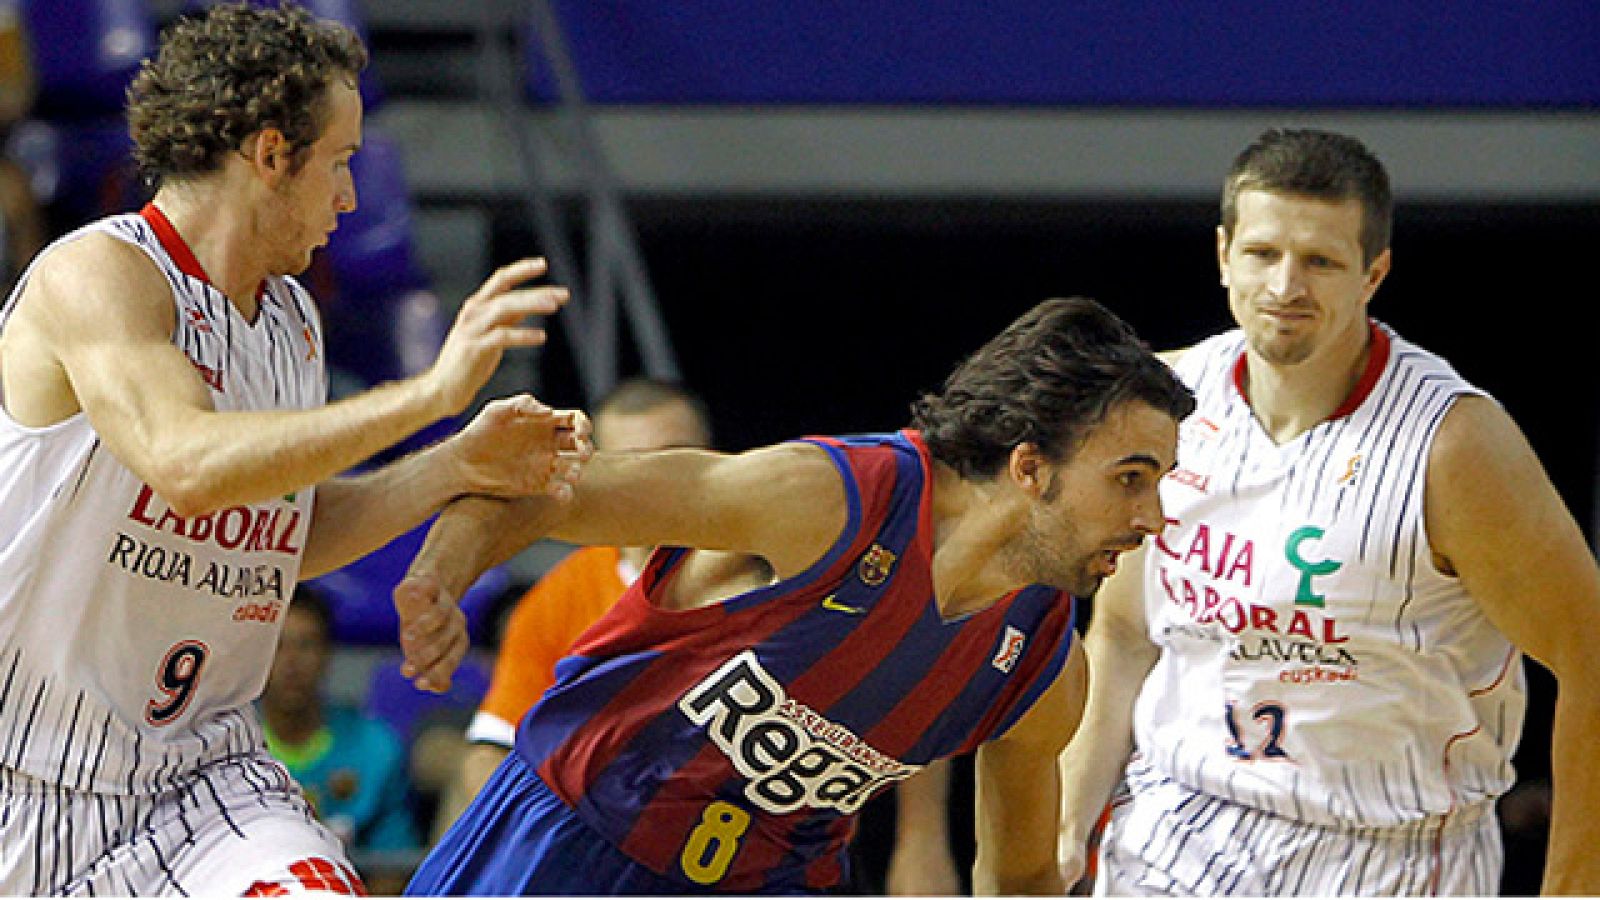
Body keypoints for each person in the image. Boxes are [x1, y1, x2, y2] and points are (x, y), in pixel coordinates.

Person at [0, 3, 588, 895]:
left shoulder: (290, 323)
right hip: (28, 784)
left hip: (205, 786)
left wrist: (453, 463)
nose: (350, 197)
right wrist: (429, 396)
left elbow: (281, 533)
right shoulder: (98, 275)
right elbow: (187, 466)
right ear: (272, 155)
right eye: (340, 162)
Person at [394, 295, 1195, 895]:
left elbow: (1018, 882)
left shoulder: (1045, 670)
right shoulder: (831, 500)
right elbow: (551, 491)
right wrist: (442, 574)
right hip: (571, 842)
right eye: (1130, 479)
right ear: (1030, 467)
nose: (1153, 518)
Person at [1056, 128, 1600, 896]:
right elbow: (1122, 636)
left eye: (1320, 261)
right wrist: (1064, 829)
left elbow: (1590, 658)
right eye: (1263, 253)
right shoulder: (1162, 403)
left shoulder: (1456, 447)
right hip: (1174, 838)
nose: (1286, 286)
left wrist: (1576, 887)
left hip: (1390, 856)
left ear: (1374, 273)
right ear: (1223, 254)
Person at [262, 586, 420, 893]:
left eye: (306, 645)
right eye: (276, 646)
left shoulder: (376, 747)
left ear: (328, 654)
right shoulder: (224, 749)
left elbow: (393, 865)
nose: (291, 662)